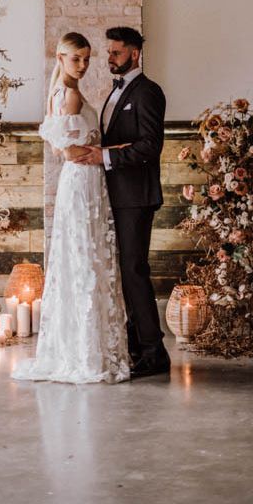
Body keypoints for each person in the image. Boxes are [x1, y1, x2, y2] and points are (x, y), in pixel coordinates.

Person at [11, 32, 130, 384]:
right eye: (76, 58)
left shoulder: (60, 94)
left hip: (82, 182)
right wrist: (101, 152)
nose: (82, 65)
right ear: (60, 58)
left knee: (83, 257)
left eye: (87, 59)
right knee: (84, 258)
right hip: (82, 182)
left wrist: (105, 148)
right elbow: (66, 151)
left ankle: (82, 346)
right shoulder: (70, 96)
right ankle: (85, 353)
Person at [74, 26, 171, 379]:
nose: (110, 58)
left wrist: (104, 158)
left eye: (116, 52)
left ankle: (154, 352)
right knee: (125, 273)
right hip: (117, 195)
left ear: (135, 53)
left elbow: (150, 146)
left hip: (137, 197)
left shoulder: (148, 92)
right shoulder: (116, 92)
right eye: (110, 52)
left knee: (134, 271)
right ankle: (135, 345)